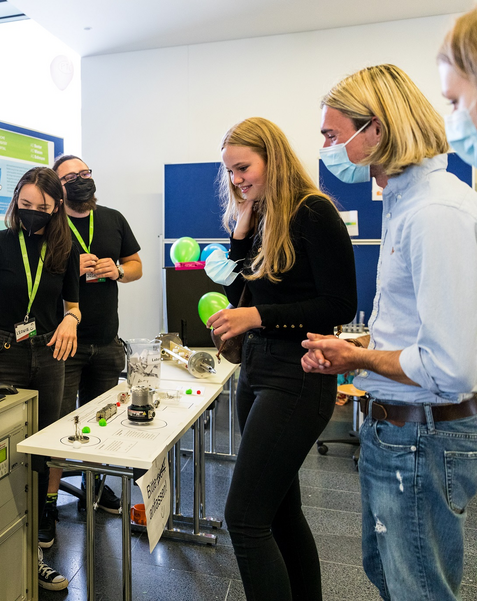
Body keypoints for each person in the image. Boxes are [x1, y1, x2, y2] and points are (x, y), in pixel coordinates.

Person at [302, 62, 477, 601]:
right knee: (389, 576)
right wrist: (357, 347)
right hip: (397, 432)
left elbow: (450, 366)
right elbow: (416, 329)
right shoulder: (405, 204)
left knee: (417, 590)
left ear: (374, 129)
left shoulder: (435, 212)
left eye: (332, 134)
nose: (326, 148)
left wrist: (357, 360)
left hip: (421, 436)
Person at [211, 117, 357, 601]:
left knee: (244, 519)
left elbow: (339, 305)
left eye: (244, 168)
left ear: (272, 159)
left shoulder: (313, 211)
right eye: (230, 171)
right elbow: (241, 293)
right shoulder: (261, 216)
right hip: (258, 367)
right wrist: (242, 231)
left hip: (297, 373)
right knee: (280, 513)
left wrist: (257, 316)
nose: (237, 179)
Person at [0, 166, 81, 591]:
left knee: (44, 448)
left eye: (42, 207)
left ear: (56, 208)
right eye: (25, 204)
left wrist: (70, 320)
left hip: (49, 353)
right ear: (15, 201)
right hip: (3, 352)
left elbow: (74, 306)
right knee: (3, 448)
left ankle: (35, 539)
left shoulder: (63, 248)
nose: (32, 212)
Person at [37, 155, 143, 548]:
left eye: (85, 173)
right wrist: (68, 268)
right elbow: (34, 277)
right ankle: (48, 505)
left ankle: (94, 489)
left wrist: (119, 270)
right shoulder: (50, 225)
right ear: (57, 186)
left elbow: (136, 265)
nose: (81, 180)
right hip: (65, 344)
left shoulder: (113, 219)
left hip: (107, 341)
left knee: (101, 425)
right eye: (71, 177)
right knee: (59, 428)